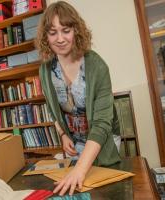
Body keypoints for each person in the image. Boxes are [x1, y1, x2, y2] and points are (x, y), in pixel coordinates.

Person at [35, 1, 121, 196]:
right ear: (45, 37)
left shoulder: (97, 66)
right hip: (76, 141)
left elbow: (101, 124)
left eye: (65, 30)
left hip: (103, 140)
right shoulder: (45, 69)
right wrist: (63, 134)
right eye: (52, 32)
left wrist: (80, 170)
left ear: (76, 31)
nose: (60, 39)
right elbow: (52, 107)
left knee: (104, 191)